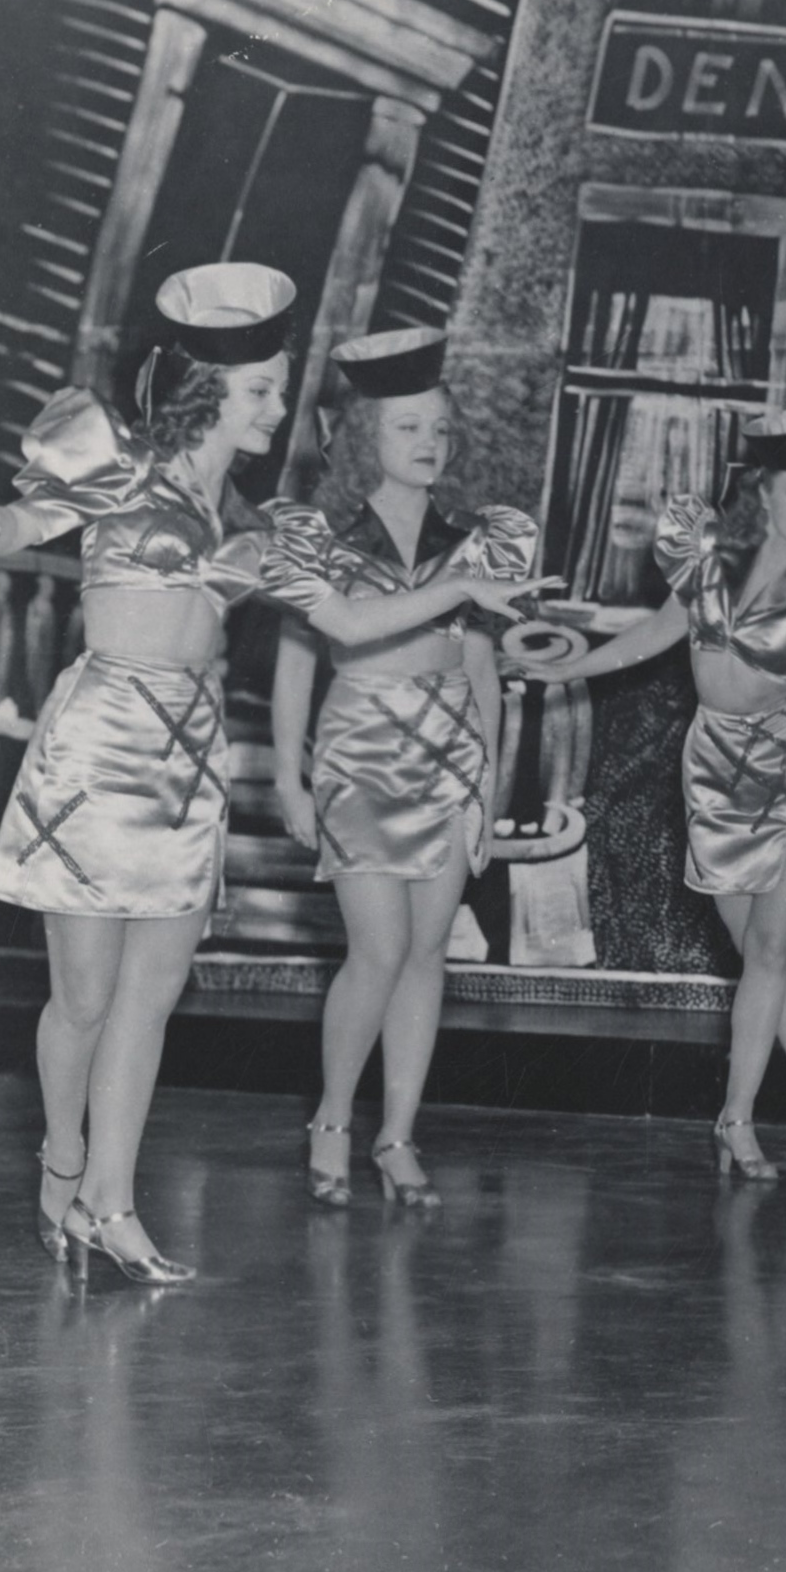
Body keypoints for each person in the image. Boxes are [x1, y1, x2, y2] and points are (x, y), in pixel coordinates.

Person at [0, 267, 537, 1284]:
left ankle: (113, 1205)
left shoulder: (262, 531)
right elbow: (25, 523)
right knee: (81, 999)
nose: (276, 409)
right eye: (263, 391)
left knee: (151, 996)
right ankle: (65, 1160)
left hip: (187, 753)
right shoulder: (115, 469)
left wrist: (461, 586)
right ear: (211, 393)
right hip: (96, 744)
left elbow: (345, 621)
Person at [516, 408, 786, 1181]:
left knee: (769, 946)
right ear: (764, 495)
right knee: (764, 956)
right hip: (715, 771)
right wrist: (568, 668)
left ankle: (736, 1119)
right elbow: (651, 638)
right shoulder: (710, 567)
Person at [266, 327, 550, 1211]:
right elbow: (297, 660)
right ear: (363, 441)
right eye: (406, 429)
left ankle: (396, 1136)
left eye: (438, 429)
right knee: (378, 948)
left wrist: (491, 789)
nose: (428, 444)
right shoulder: (321, 538)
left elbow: (480, 672)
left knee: (427, 953)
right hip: (359, 746)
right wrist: (288, 774)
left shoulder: (477, 542)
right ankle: (332, 1120)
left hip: (450, 751)